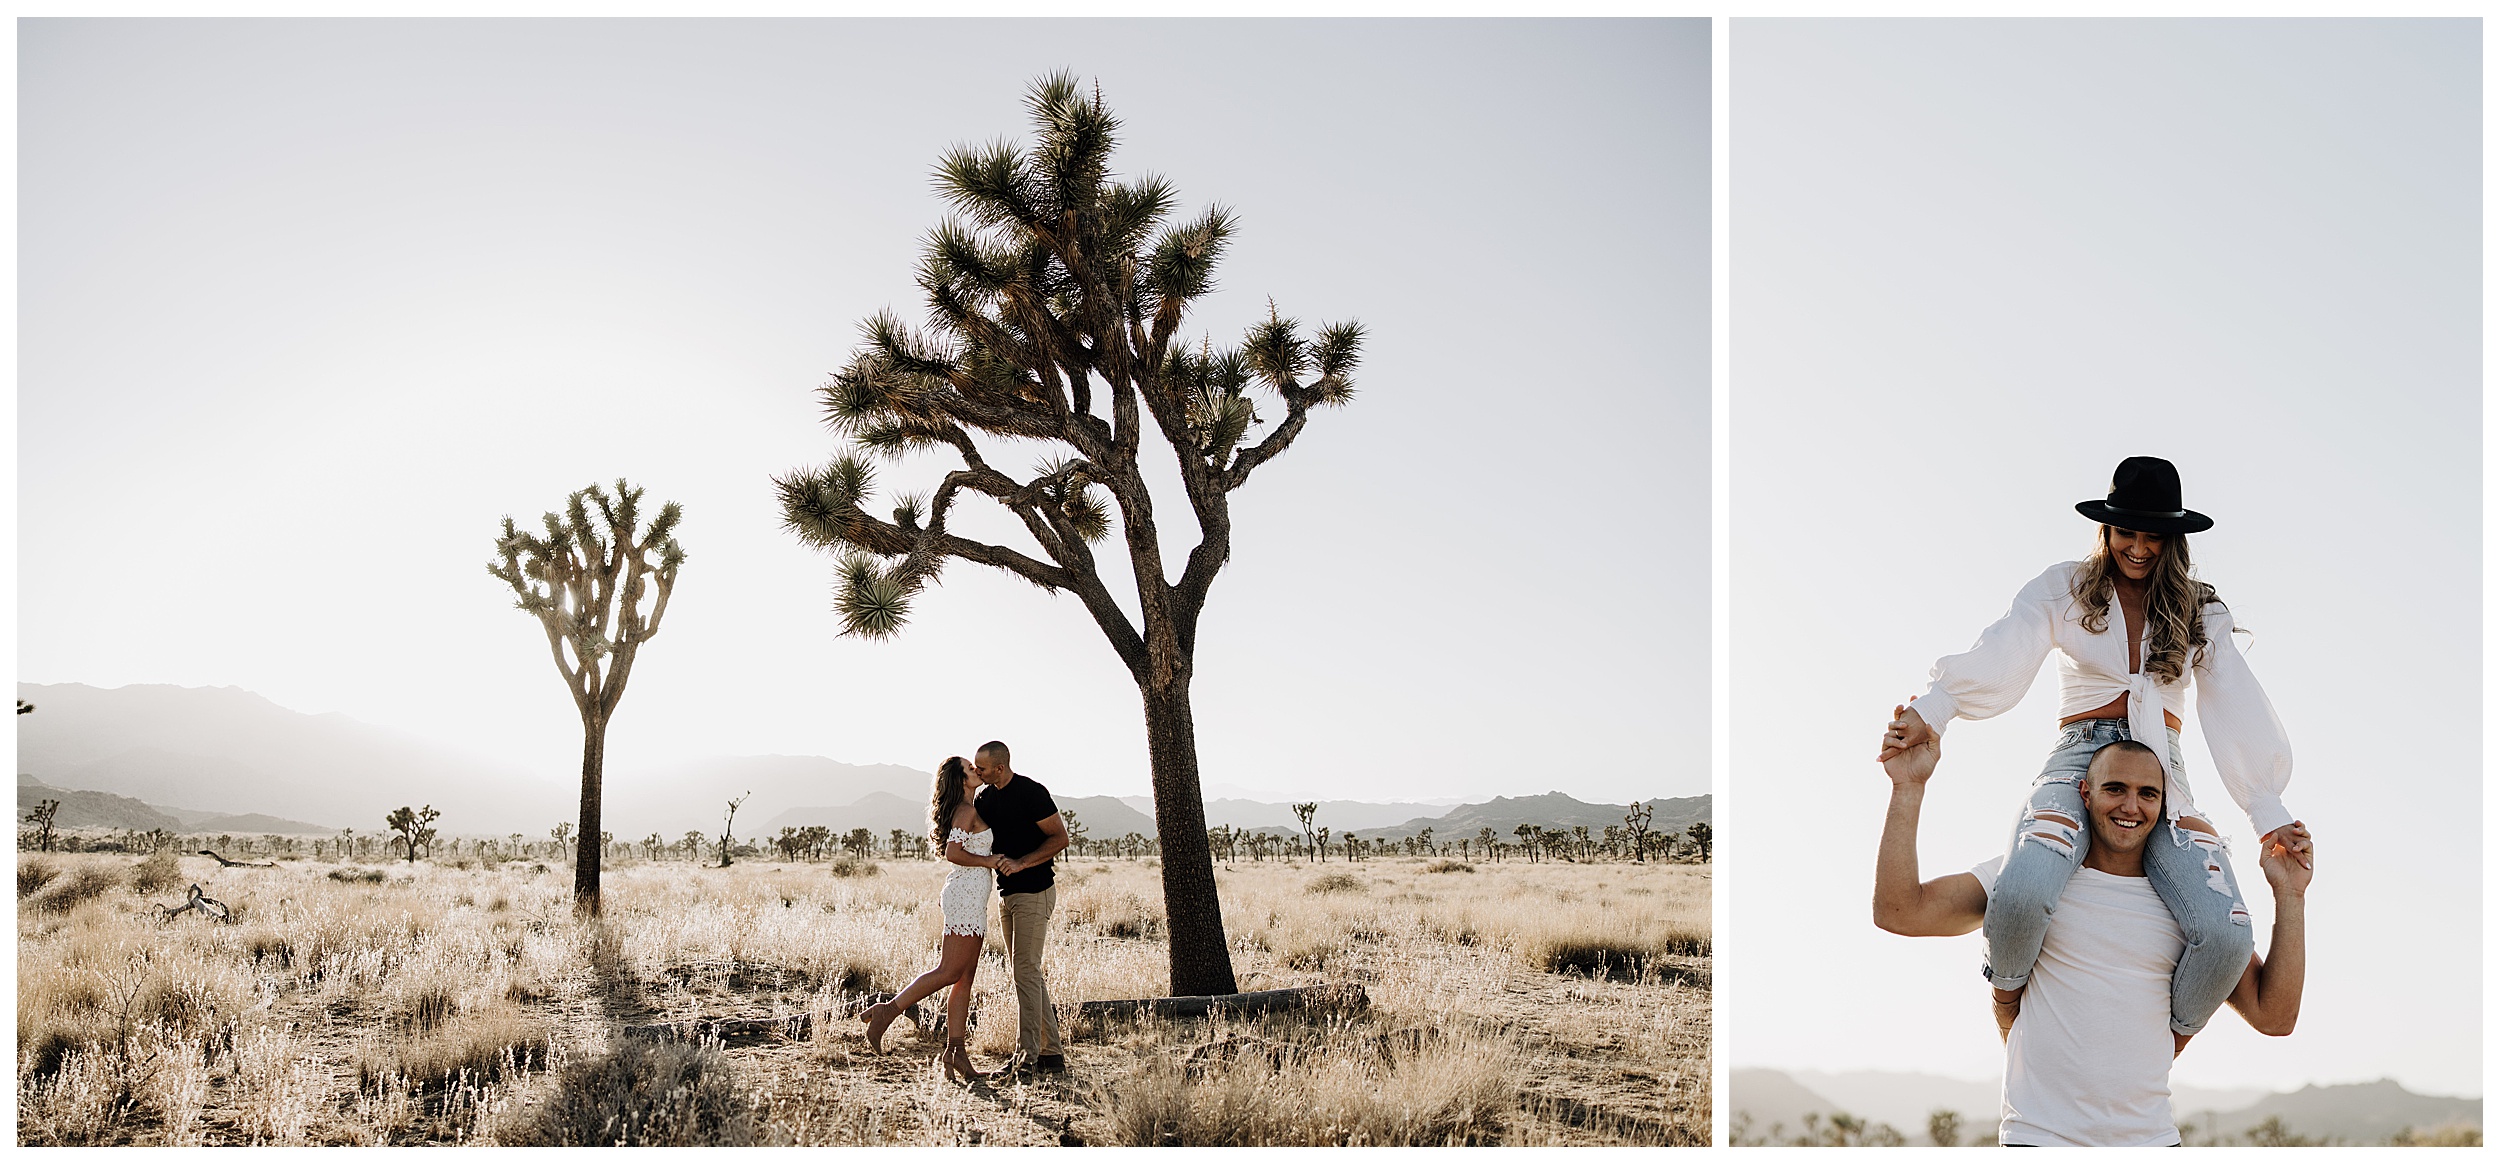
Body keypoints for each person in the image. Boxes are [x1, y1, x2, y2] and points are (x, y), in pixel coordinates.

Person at [1878, 455, 2306, 1046]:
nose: (2137, 547)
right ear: (2105, 529)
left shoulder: (2200, 611)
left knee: (2225, 935)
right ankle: (2010, 1016)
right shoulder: (2067, 588)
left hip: (2161, 771)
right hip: (2080, 758)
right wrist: (1936, 709)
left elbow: (2236, 704)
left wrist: (2267, 810)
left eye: (2152, 535)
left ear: (2172, 539)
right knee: (2023, 892)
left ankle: (2165, 1049)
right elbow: (2008, 647)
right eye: (2125, 531)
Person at [1874, 729, 2311, 1146]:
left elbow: (2275, 1017)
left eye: (2148, 794)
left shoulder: (2189, 908)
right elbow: (1899, 911)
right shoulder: (2032, 875)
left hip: (2152, 1142)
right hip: (2039, 1140)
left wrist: (2289, 895)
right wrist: (1908, 786)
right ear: (2085, 793)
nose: (2131, 806)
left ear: (2163, 805)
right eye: (2115, 788)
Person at [859, 756, 1009, 1081]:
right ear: (960, 779)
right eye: (971, 769)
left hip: (971, 895)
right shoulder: (966, 811)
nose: (977, 770)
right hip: (965, 895)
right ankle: (887, 1012)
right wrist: (992, 861)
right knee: (950, 970)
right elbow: (953, 853)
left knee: (964, 978)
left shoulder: (969, 807)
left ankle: (957, 1053)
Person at [972, 739, 1071, 1075]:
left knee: (1025, 972)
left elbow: (1060, 838)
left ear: (1000, 767)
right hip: (1006, 894)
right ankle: (1052, 1055)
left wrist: (1023, 863)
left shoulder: (1032, 793)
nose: (978, 772)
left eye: (982, 768)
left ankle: (1026, 1058)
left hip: (1035, 890)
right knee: (1027, 973)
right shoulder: (984, 798)